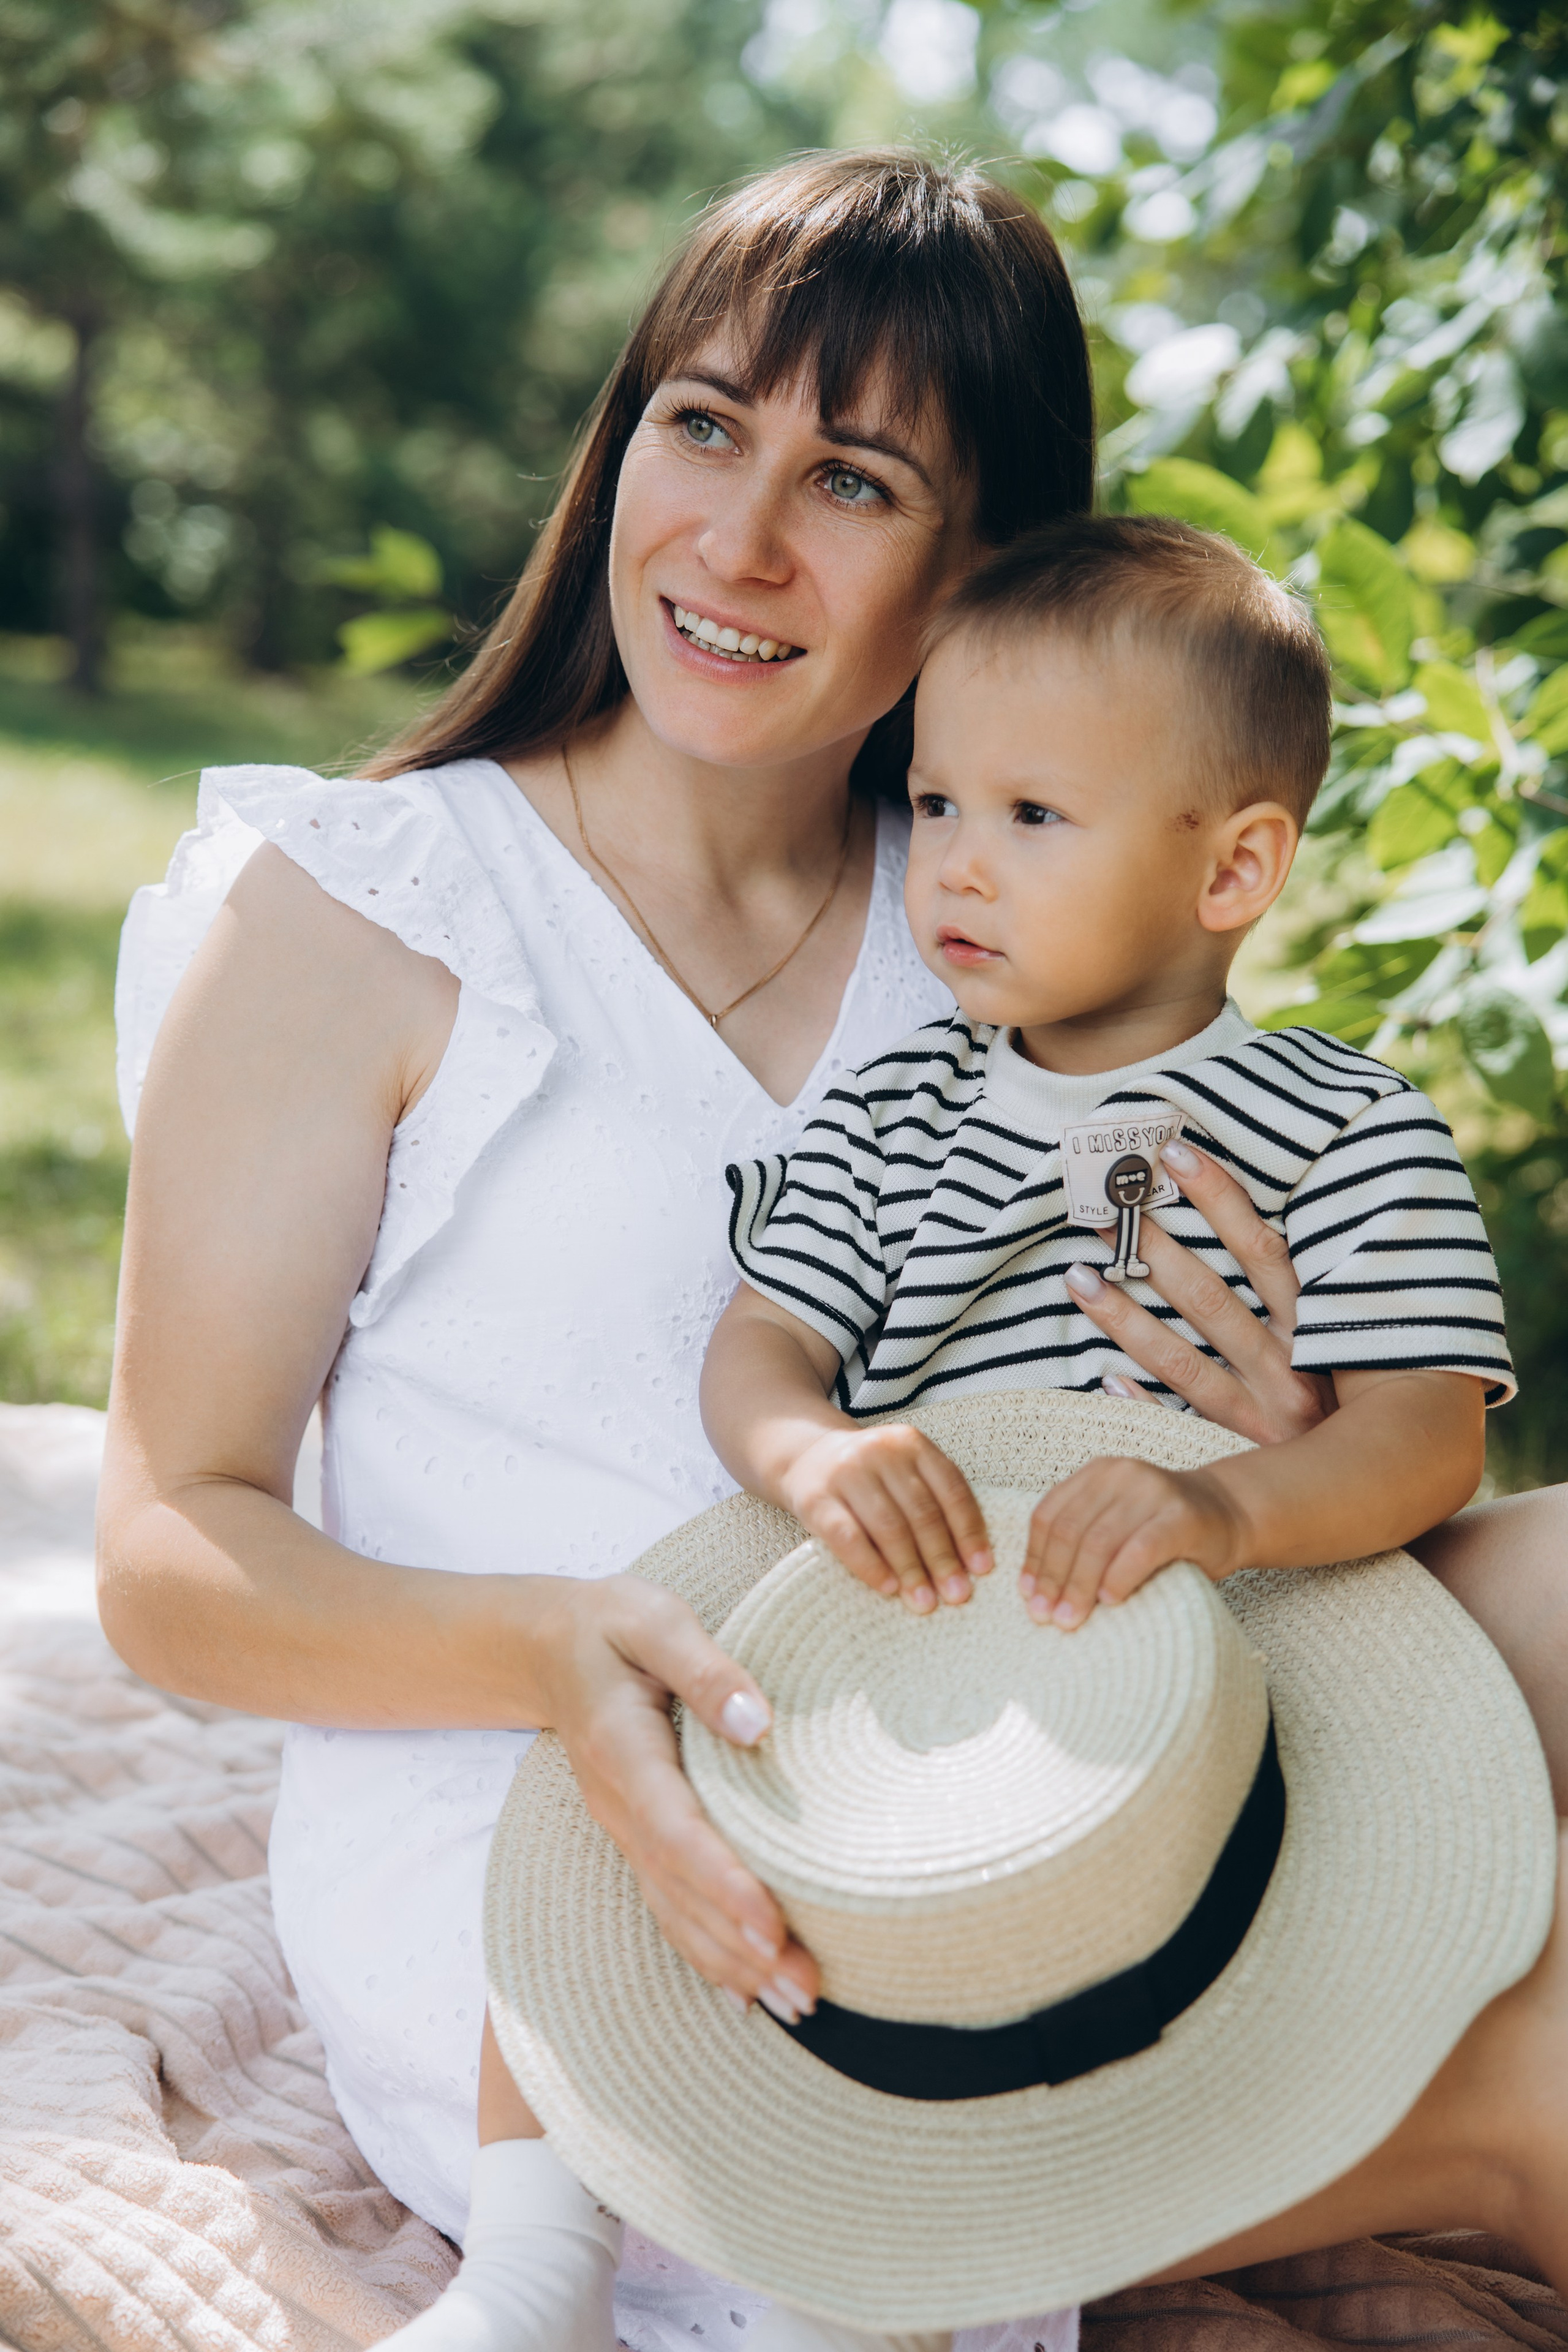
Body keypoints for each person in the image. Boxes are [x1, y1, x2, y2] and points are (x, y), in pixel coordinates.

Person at [94, 140, 1568, 2352]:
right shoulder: (363, 911)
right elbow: (166, 1556)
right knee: (1546, 2087)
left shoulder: (1003, 899)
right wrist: (545, 1655)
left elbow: (1226, 1308)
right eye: (705, 425)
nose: (741, 539)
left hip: (1019, 1735)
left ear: (984, 564)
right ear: (624, 444)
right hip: (567, 1862)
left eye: (857, 479)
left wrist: (1255, 1440)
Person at [706, 515, 1508, 1627]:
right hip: (933, 1630)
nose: (956, 868)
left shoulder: (1348, 1130)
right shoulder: (889, 1119)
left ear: (1232, 869)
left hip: (1230, 1645)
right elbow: (764, 1340)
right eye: (937, 804)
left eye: (1033, 814)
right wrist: (809, 1453)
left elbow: (1425, 1434)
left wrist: (1224, 1509)